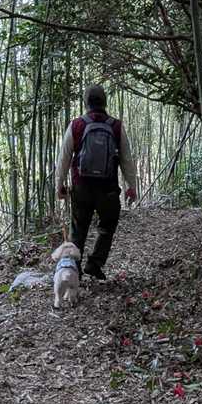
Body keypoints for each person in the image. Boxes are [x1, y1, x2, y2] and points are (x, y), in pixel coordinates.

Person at [54, 83, 137, 280]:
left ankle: (74, 270)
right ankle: (95, 263)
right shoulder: (116, 126)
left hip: (81, 187)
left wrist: (59, 185)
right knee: (107, 226)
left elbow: (64, 158)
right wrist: (131, 186)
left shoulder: (76, 125)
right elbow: (126, 159)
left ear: (86, 102)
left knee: (78, 230)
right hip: (107, 189)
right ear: (104, 102)